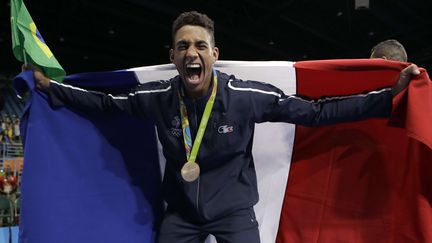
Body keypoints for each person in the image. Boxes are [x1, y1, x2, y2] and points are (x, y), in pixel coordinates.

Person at [26, 11, 419, 243]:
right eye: (182, 46)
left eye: (199, 45)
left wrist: (385, 98)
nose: (190, 53)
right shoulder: (158, 98)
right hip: (180, 216)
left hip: (233, 213)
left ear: (214, 54)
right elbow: (104, 104)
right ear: (173, 56)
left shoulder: (245, 96)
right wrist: (51, 89)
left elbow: (316, 112)